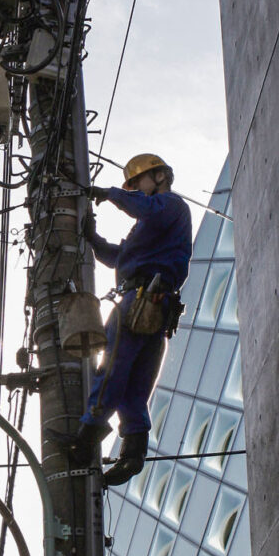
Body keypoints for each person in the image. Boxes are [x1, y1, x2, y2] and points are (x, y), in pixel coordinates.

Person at [56, 151, 192, 485]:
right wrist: (92, 239)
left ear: (159, 176)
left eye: (137, 183)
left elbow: (144, 209)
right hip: (156, 307)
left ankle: (85, 437)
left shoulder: (170, 206)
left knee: (114, 368)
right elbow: (121, 256)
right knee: (135, 384)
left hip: (140, 300)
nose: (133, 189)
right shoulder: (151, 226)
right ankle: (133, 453)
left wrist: (110, 194)